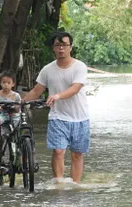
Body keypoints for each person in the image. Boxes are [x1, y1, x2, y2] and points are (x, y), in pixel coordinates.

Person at [21, 31, 89, 183]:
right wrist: (21, 102)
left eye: (64, 45)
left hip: (80, 117)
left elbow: (75, 88)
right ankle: (59, 184)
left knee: (77, 154)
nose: (61, 49)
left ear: (70, 47)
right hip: (58, 116)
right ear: (53, 48)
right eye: (58, 45)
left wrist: (57, 96)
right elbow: (37, 90)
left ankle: (74, 186)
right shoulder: (48, 69)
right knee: (58, 151)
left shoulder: (80, 67)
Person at [0, 70, 21, 154]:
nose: (6, 84)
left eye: (8, 82)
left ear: (13, 84)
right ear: (0, 83)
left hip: (14, 116)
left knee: (19, 130)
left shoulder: (16, 95)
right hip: (2, 115)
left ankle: (22, 156)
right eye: (4, 82)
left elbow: (19, 106)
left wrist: (15, 109)